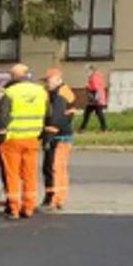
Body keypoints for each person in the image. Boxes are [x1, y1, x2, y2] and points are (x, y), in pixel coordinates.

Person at [0, 63, 49, 220]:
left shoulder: (10, 92)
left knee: (12, 174)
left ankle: (13, 208)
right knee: (29, 174)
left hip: (12, 139)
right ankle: (29, 207)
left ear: (14, 77)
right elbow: (48, 114)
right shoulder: (41, 91)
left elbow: (2, 116)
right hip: (32, 138)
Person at [42, 68, 79, 211]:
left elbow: (56, 117)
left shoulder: (60, 94)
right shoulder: (61, 91)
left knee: (54, 168)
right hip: (63, 134)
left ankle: (54, 199)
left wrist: (48, 135)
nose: (47, 84)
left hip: (58, 136)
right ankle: (58, 198)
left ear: (58, 79)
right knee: (59, 168)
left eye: (49, 80)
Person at [80, 64, 109, 132]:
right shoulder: (96, 76)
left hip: (96, 99)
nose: (86, 72)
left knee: (91, 113)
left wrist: (94, 98)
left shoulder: (94, 77)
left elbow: (96, 88)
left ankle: (83, 128)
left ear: (92, 70)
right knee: (96, 113)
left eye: (87, 70)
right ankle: (103, 128)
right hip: (97, 98)